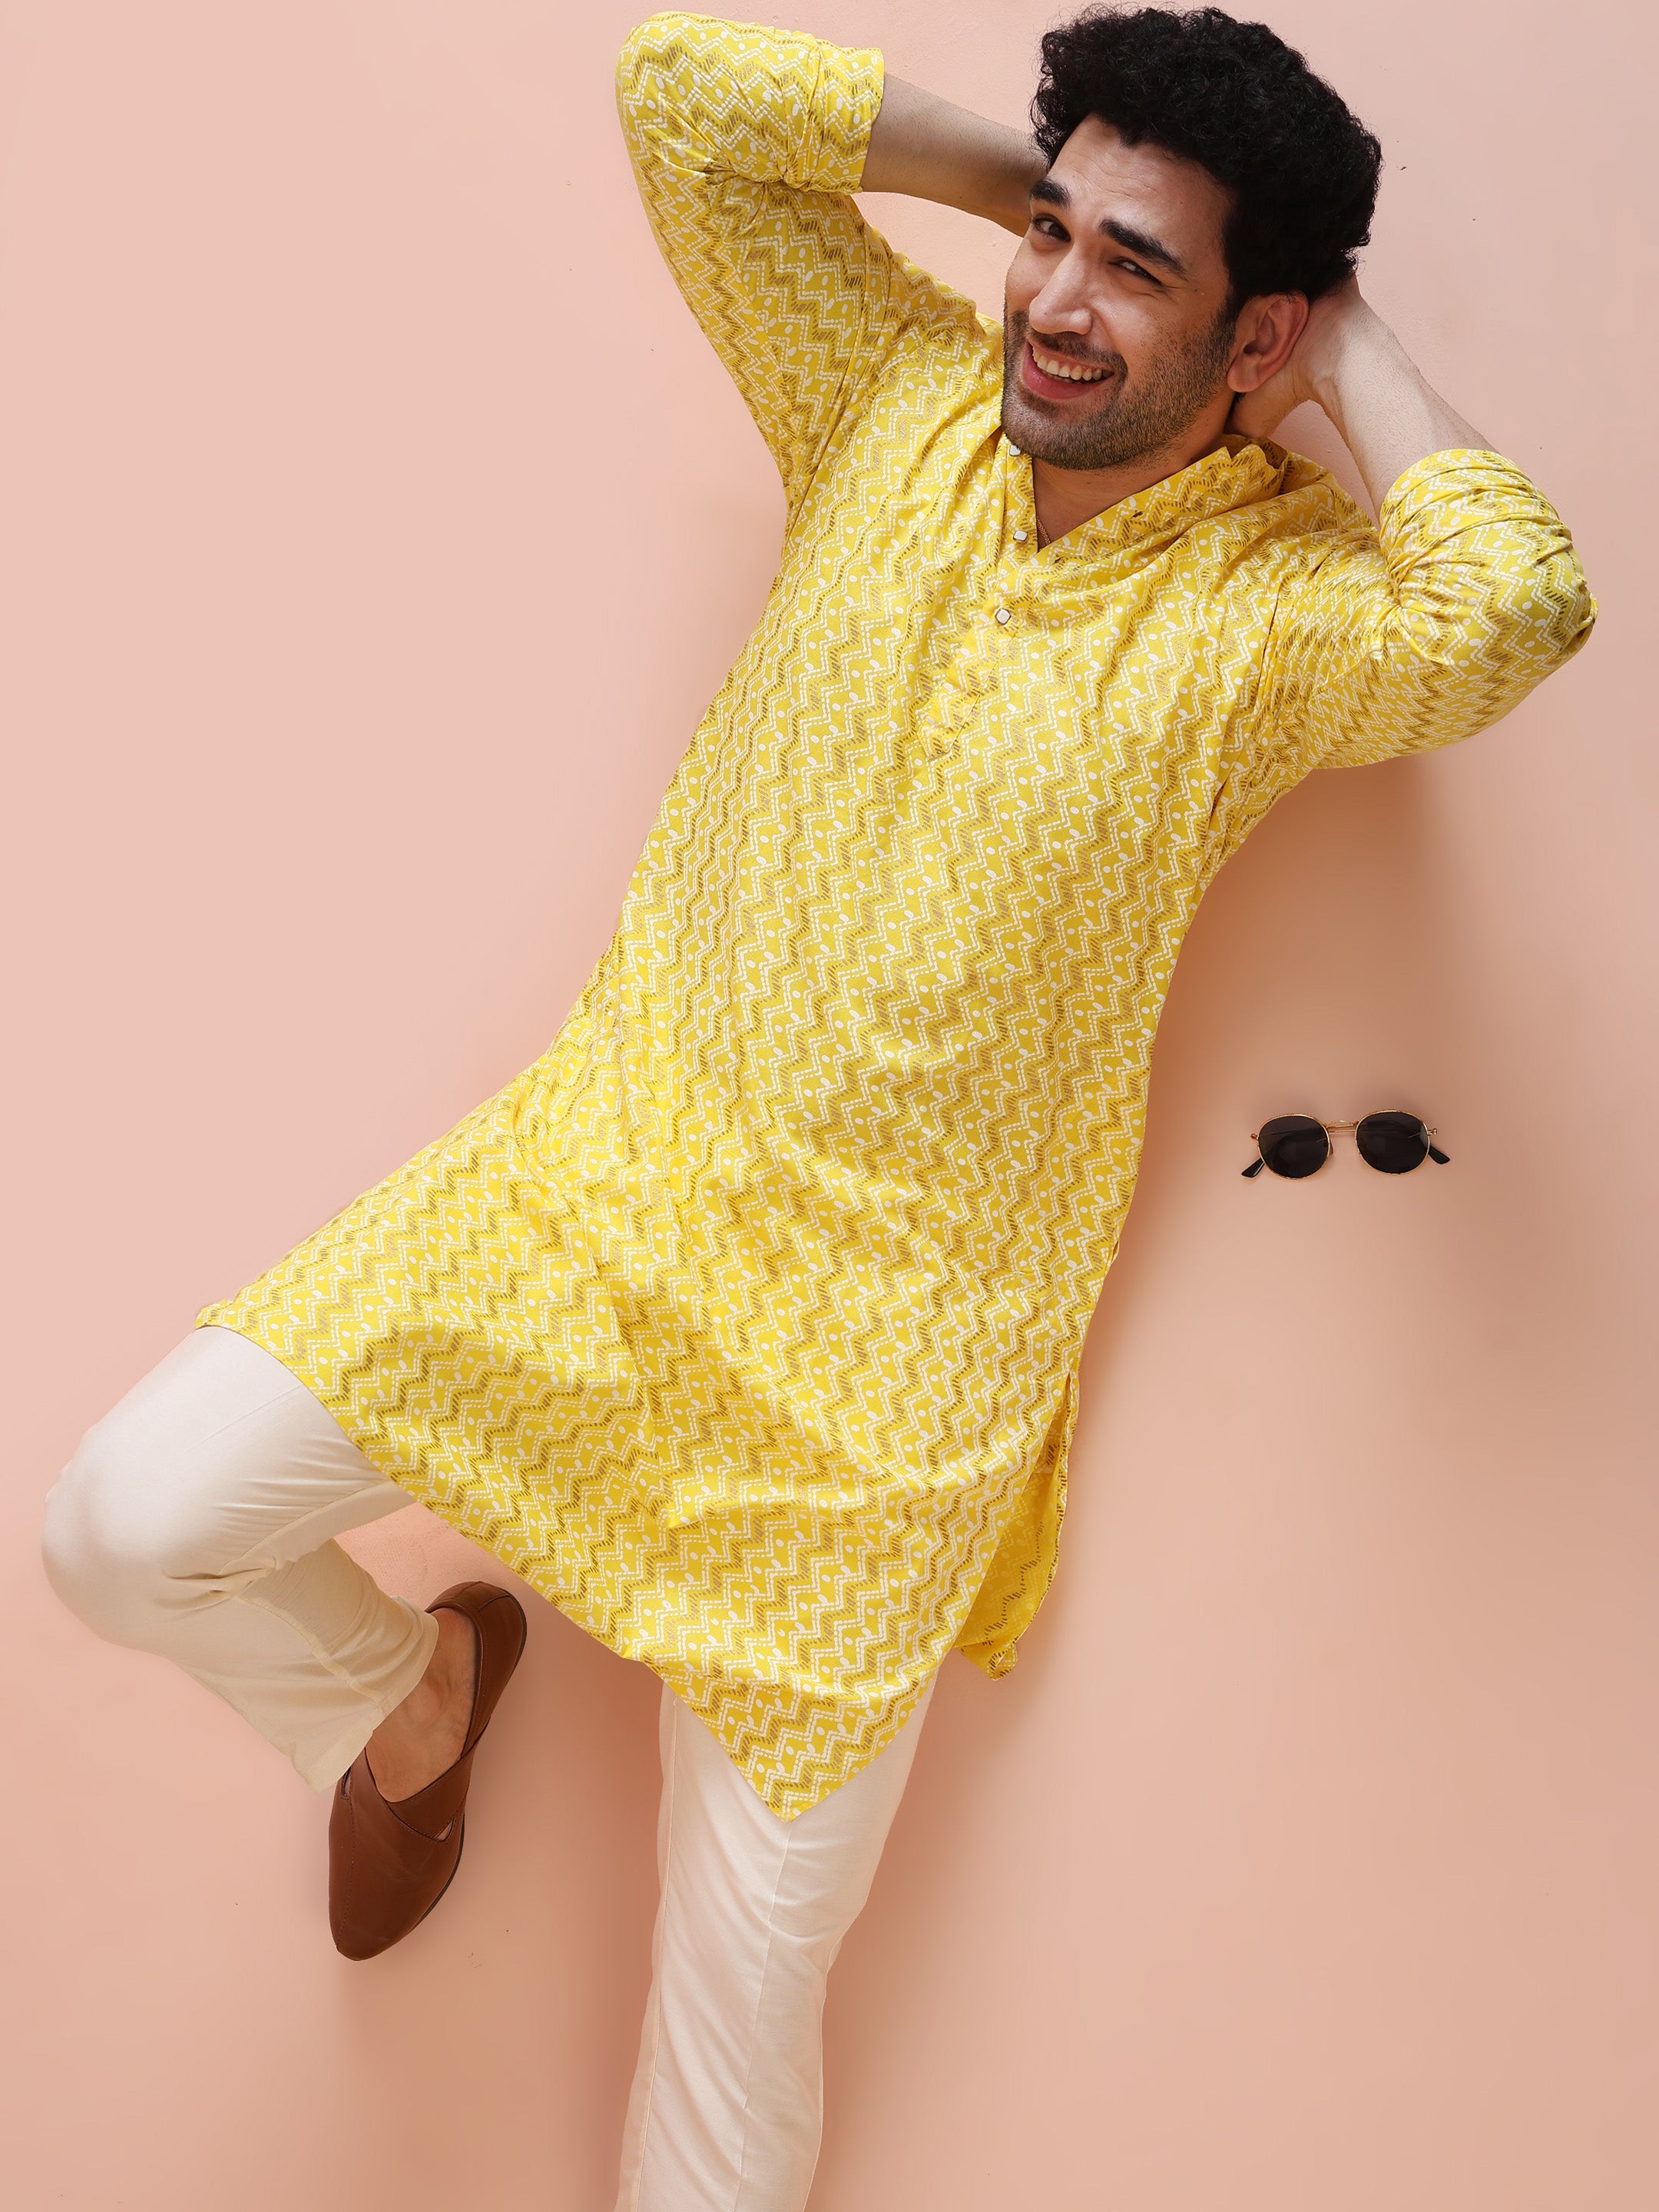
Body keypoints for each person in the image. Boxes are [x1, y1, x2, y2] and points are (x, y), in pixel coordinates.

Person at [41, 7, 1594, 2207]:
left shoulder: (1272, 620)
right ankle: (406, 1704)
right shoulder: (886, 391)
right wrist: (1015, 193)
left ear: (1254, 335)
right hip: (592, 1210)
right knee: (120, 1526)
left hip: (886, 1399)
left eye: (1136, 266)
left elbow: (1517, 606)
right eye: (1055, 235)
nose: (1056, 299)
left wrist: (1339, 345)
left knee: (741, 1997)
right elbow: (678, 98)